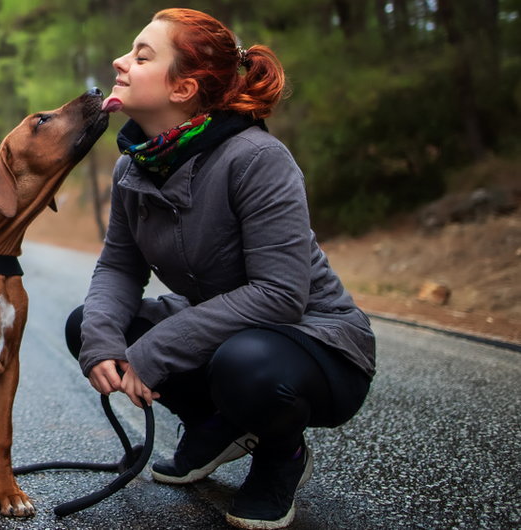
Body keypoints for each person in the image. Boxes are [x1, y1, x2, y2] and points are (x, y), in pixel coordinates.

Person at [64, 8, 376, 529]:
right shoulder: (133, 166)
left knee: (244, 363)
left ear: (182, 89)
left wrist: (157, 348)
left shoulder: (256, 157)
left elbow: (280, 295)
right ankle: (214, 425)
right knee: (88, 324)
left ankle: (282, 458)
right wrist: (101, 340)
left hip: (316, 344)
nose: (120, 61)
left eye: (142, 56)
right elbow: (119, 267)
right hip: (226, 331)